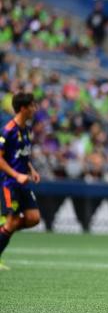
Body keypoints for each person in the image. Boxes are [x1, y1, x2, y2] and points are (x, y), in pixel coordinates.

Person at [0, 92, 42, 270]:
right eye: (32, 105)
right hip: (10, 183)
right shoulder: (8, 130)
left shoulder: (27, 128)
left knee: (33, 218)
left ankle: (4, 230)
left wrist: (31, 169)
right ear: (23, 108)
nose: (35, 109)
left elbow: (22, 154)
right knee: (11, 222)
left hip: (23, 182)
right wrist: (16, 175)